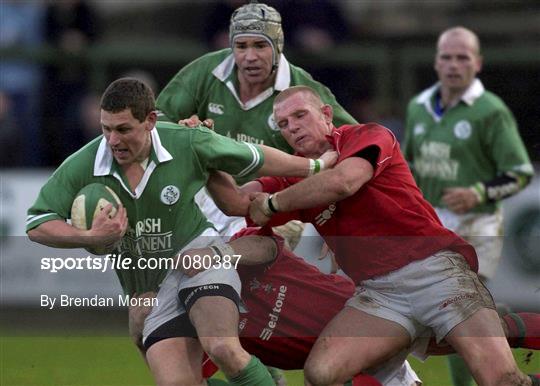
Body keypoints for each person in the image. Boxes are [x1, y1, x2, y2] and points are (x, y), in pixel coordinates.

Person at [25, 78, 337, 386]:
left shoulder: (185, 141)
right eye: (105, 129)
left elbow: (254, 156)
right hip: (153, 289)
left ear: (150, 121)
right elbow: (37, 224)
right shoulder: (84, 164)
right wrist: (89, 238)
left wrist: (314, 168)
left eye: (123, 129)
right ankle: (267, 379)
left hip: (200, 260)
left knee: (222, 347)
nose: (113, 140)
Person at [220, 85, 536, 385]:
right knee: (321, 373)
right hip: (380, 294)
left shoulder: (366, 135)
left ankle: (511, 332)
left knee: (501, 381)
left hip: (436, 272)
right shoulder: (295, 175)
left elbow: (344, 181)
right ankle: (503, 326)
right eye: (283, 124)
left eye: (300, 115)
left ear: (327, 114)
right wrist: (203, 150)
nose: (292, 127)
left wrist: (274, 204)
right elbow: (236, 201)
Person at [175, 226, 540, 385]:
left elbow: (266, 245)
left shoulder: (240, 254)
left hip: (376, 316)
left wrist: (216, 254)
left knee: (491, 335)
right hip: (350, 365)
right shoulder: (198, 322)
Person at [402, 26, 534, 386]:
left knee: (458, 313)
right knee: (438, 317)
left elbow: (519, 173)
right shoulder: (419, 107)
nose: (454, 64)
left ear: (477, 63)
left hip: (477, 224)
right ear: (436, 62)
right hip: (430, 225)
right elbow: (407, 168)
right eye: (447, 57)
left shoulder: (491, 112)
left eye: (463, 57)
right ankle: (504, 323)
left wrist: (478, 192)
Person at [156, 0, 356, 153]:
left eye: (260, 46)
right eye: (241, 46)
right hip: (205, 196)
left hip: (274, 198)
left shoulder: (304, 88)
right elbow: (156, 122)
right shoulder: (205, 70)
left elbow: (359, 139)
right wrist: (182, 134)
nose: (250, 57)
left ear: (278, 46)